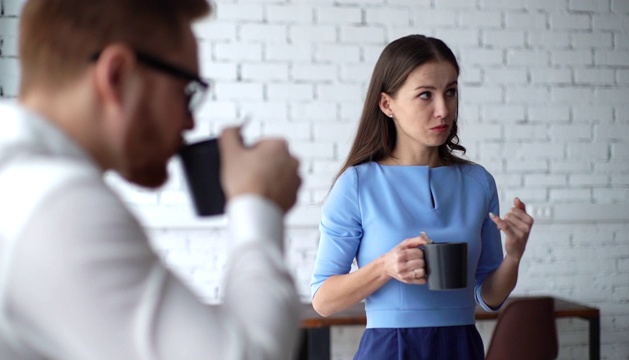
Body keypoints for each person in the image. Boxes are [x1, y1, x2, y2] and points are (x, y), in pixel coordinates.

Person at [0, 1, 302, 359]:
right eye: (186, 92)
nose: (190, 124)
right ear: (117, 75)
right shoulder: (54, 203)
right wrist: (257, 200)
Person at [310, 34, 534, 359]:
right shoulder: (357, 184)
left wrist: (514, 256)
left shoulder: (478, 182)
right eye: (425, 95)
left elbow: (489, 296)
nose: (443, 109)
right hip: (390, 349)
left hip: (462, 348)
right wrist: (384, 267)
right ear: (388, 104)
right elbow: (323, 299)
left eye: (451, 92)